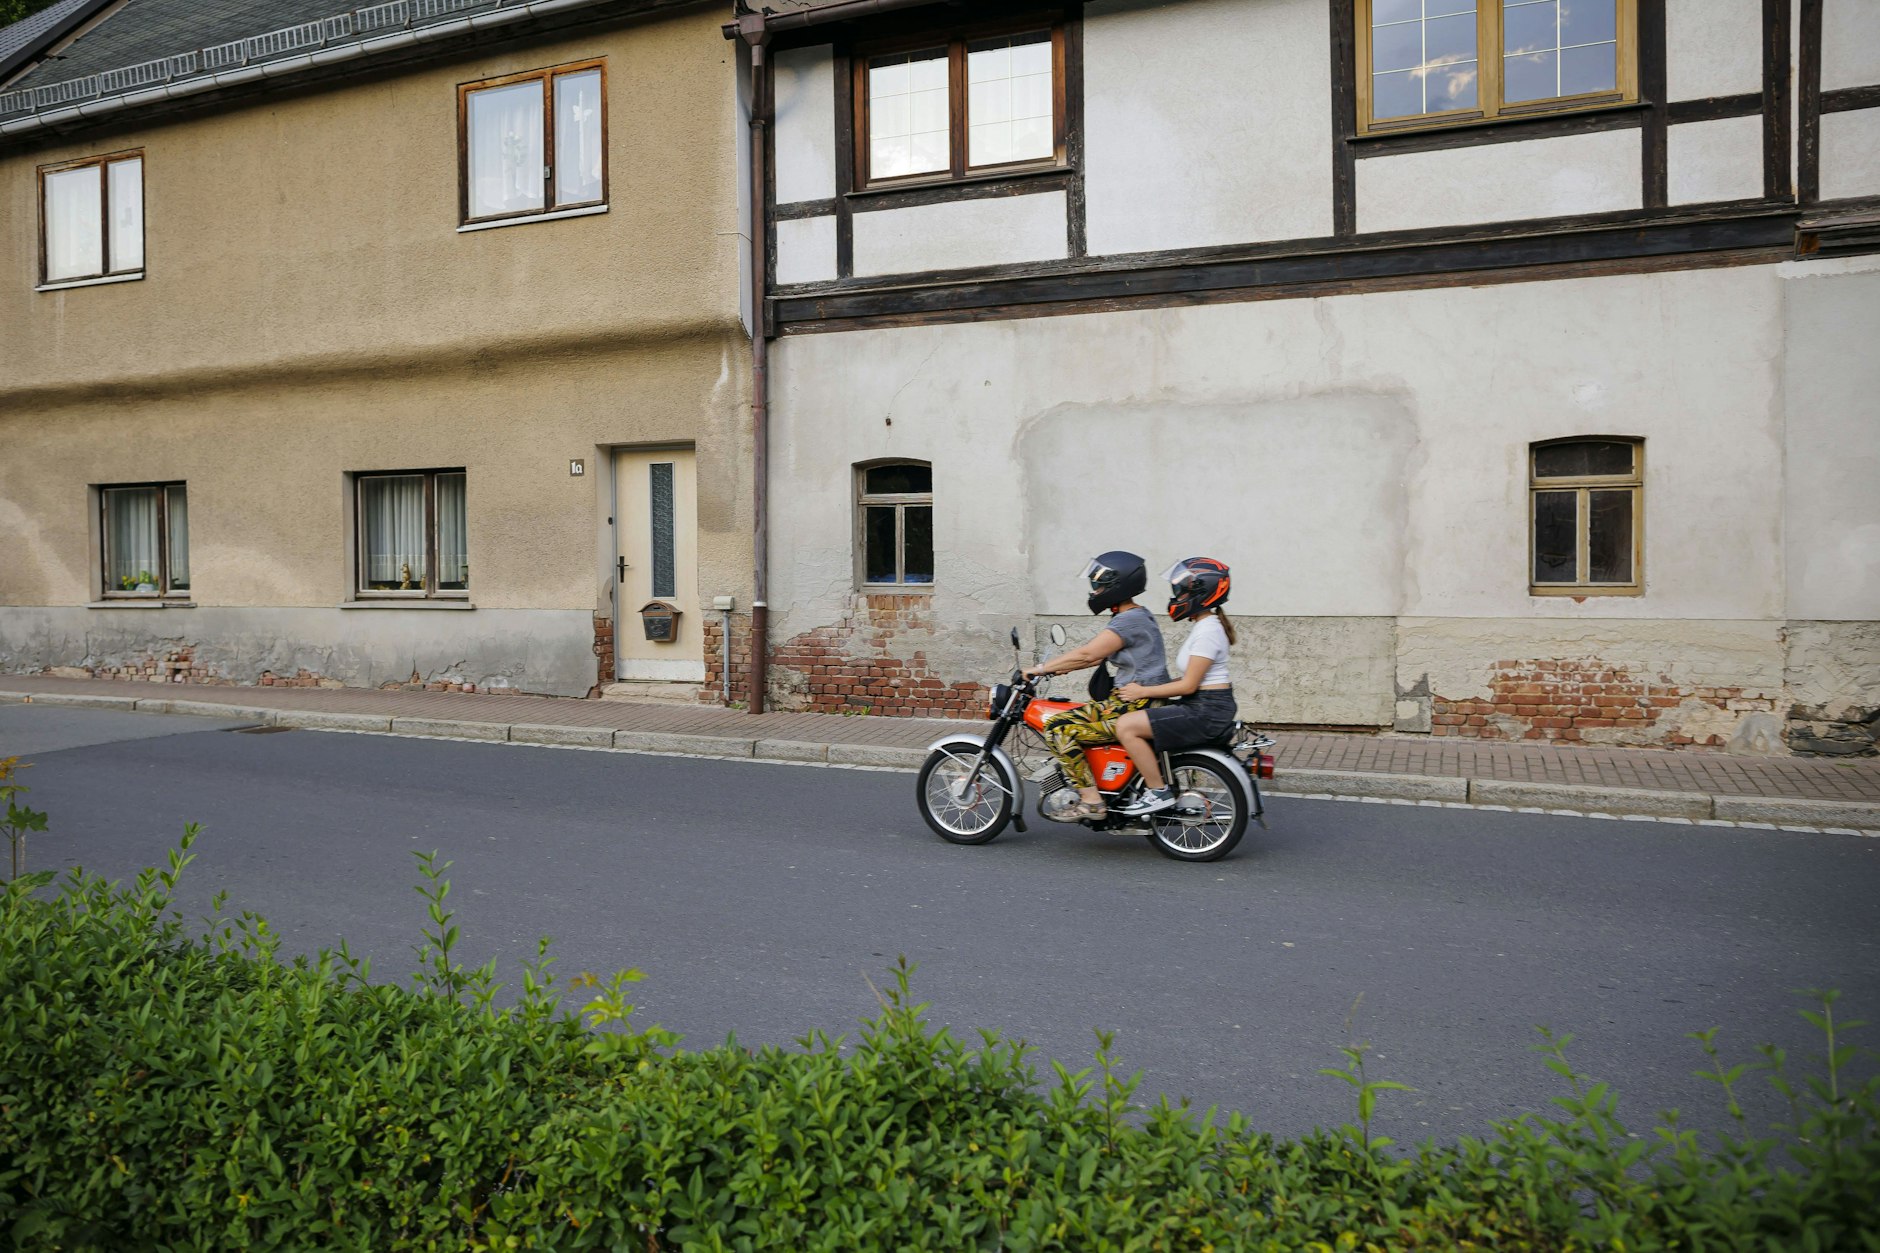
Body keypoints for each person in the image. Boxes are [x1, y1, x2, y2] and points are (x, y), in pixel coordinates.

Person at [1022, 551, 1171, 821]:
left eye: (1099, 584)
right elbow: (1096, 656)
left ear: (1118, 585)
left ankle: (1091, 802)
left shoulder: (1128, 620)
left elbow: (1089, 654)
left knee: (1057, 728)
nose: (1096, 590)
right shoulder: (1137, 615)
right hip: (1132, 701)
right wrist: (1061, 667)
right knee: (1071, 716)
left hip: (1132, 704)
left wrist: (1039, 669)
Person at [1112, 558, 1237, 816]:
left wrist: (1142, 691)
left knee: (1126, 726)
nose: (1177, 596)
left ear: (1200, 592)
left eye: (1182, 590)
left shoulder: (1208, 631)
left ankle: (1158, 791)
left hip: (1206, 711)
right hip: (1204, 706)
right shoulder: (1205, 626)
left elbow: (1189, 685)